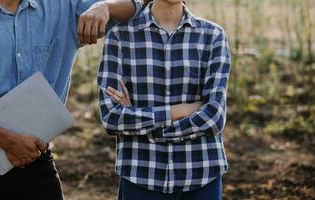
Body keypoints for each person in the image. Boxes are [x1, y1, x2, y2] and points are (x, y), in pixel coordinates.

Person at [0, 0, 143, 199]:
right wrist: (8, 141)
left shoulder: (62, 6)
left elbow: (135, 6)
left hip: (36, 159)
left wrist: (104, 6)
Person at [97, 0, 231, 199]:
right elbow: (112, 118)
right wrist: (181, 111)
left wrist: (147, 128)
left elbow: (213, 117)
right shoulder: (120, 37)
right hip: (141, 177)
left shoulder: (213, 36)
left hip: (202, 177)